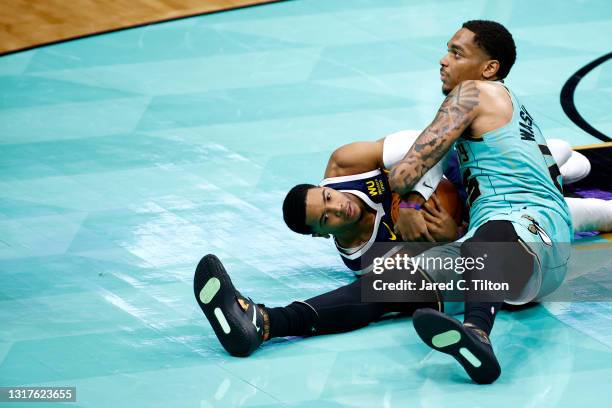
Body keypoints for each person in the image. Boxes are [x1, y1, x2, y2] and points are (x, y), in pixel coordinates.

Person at [194, 20, 610, 384]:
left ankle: (478, 332)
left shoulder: (474, 93)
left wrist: (410, 198)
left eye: (455, 52)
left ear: (488, 68)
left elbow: (406, 170)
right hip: (512, 260)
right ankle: (264, 322)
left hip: (532, 227)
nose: (443, 60)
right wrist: (413, 198)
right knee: (387, 284)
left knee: (490, 236)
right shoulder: (493, 104)